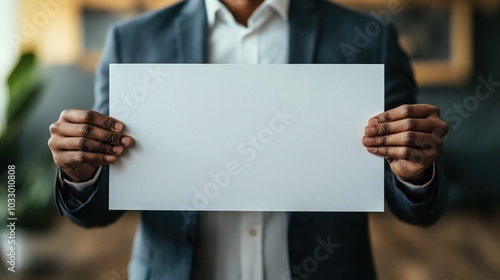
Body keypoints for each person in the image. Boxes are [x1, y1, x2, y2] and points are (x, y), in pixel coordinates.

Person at [47, 0, 449, 279]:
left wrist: (416, 173)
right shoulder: (131, 42)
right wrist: (81, 176)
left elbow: (416, 208)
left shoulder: (368, 37)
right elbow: (99, 211)